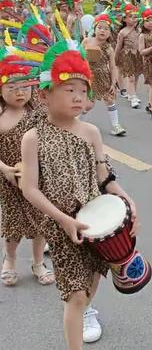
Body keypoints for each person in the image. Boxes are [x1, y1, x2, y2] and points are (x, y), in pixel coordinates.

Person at [20, 37, 139, 349]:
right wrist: (63, 220)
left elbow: (104, 177)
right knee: (75, 294)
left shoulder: (91, 132)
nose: (77, 97)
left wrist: (125, 199)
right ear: (44, 94)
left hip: (94, 223)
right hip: (62, 229)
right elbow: (29, 187)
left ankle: (87, 310)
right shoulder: (32, 137)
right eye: (68, 89)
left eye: (82, 90)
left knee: (92, 281)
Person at [0, 56, 55, 288]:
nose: (19, 92)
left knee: (40, 221)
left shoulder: (39, 113)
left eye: (24, 87)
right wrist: (4, 169)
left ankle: (38, 262)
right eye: (12, 87)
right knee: (13, 225)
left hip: (37, 179)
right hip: (9, 180)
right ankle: (10, 261)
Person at [82, 13, 127, 136]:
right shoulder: (86, 41)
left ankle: (116, 126)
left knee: (110, 100)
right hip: (88, 76)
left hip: (103, 76)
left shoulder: (109, 48)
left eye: (106, 29)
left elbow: (113, 67)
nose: (102, 30)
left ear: (110, 33)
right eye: (100, 27)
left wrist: (113, 82)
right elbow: (78, 56)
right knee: (88, 105)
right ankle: (77, 123)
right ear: (94, 29)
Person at [115, 3, 143, 109]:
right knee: (130, 78)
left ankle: (132, 94)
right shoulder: (122, 32)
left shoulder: (139, 30)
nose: (134, 19)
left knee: (136, 76)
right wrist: (116, 58)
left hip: (138, 55)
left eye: (135, 17)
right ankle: (133, 96)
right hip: (127, 56)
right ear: (124, 19)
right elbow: (118, 47)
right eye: (131, 17)